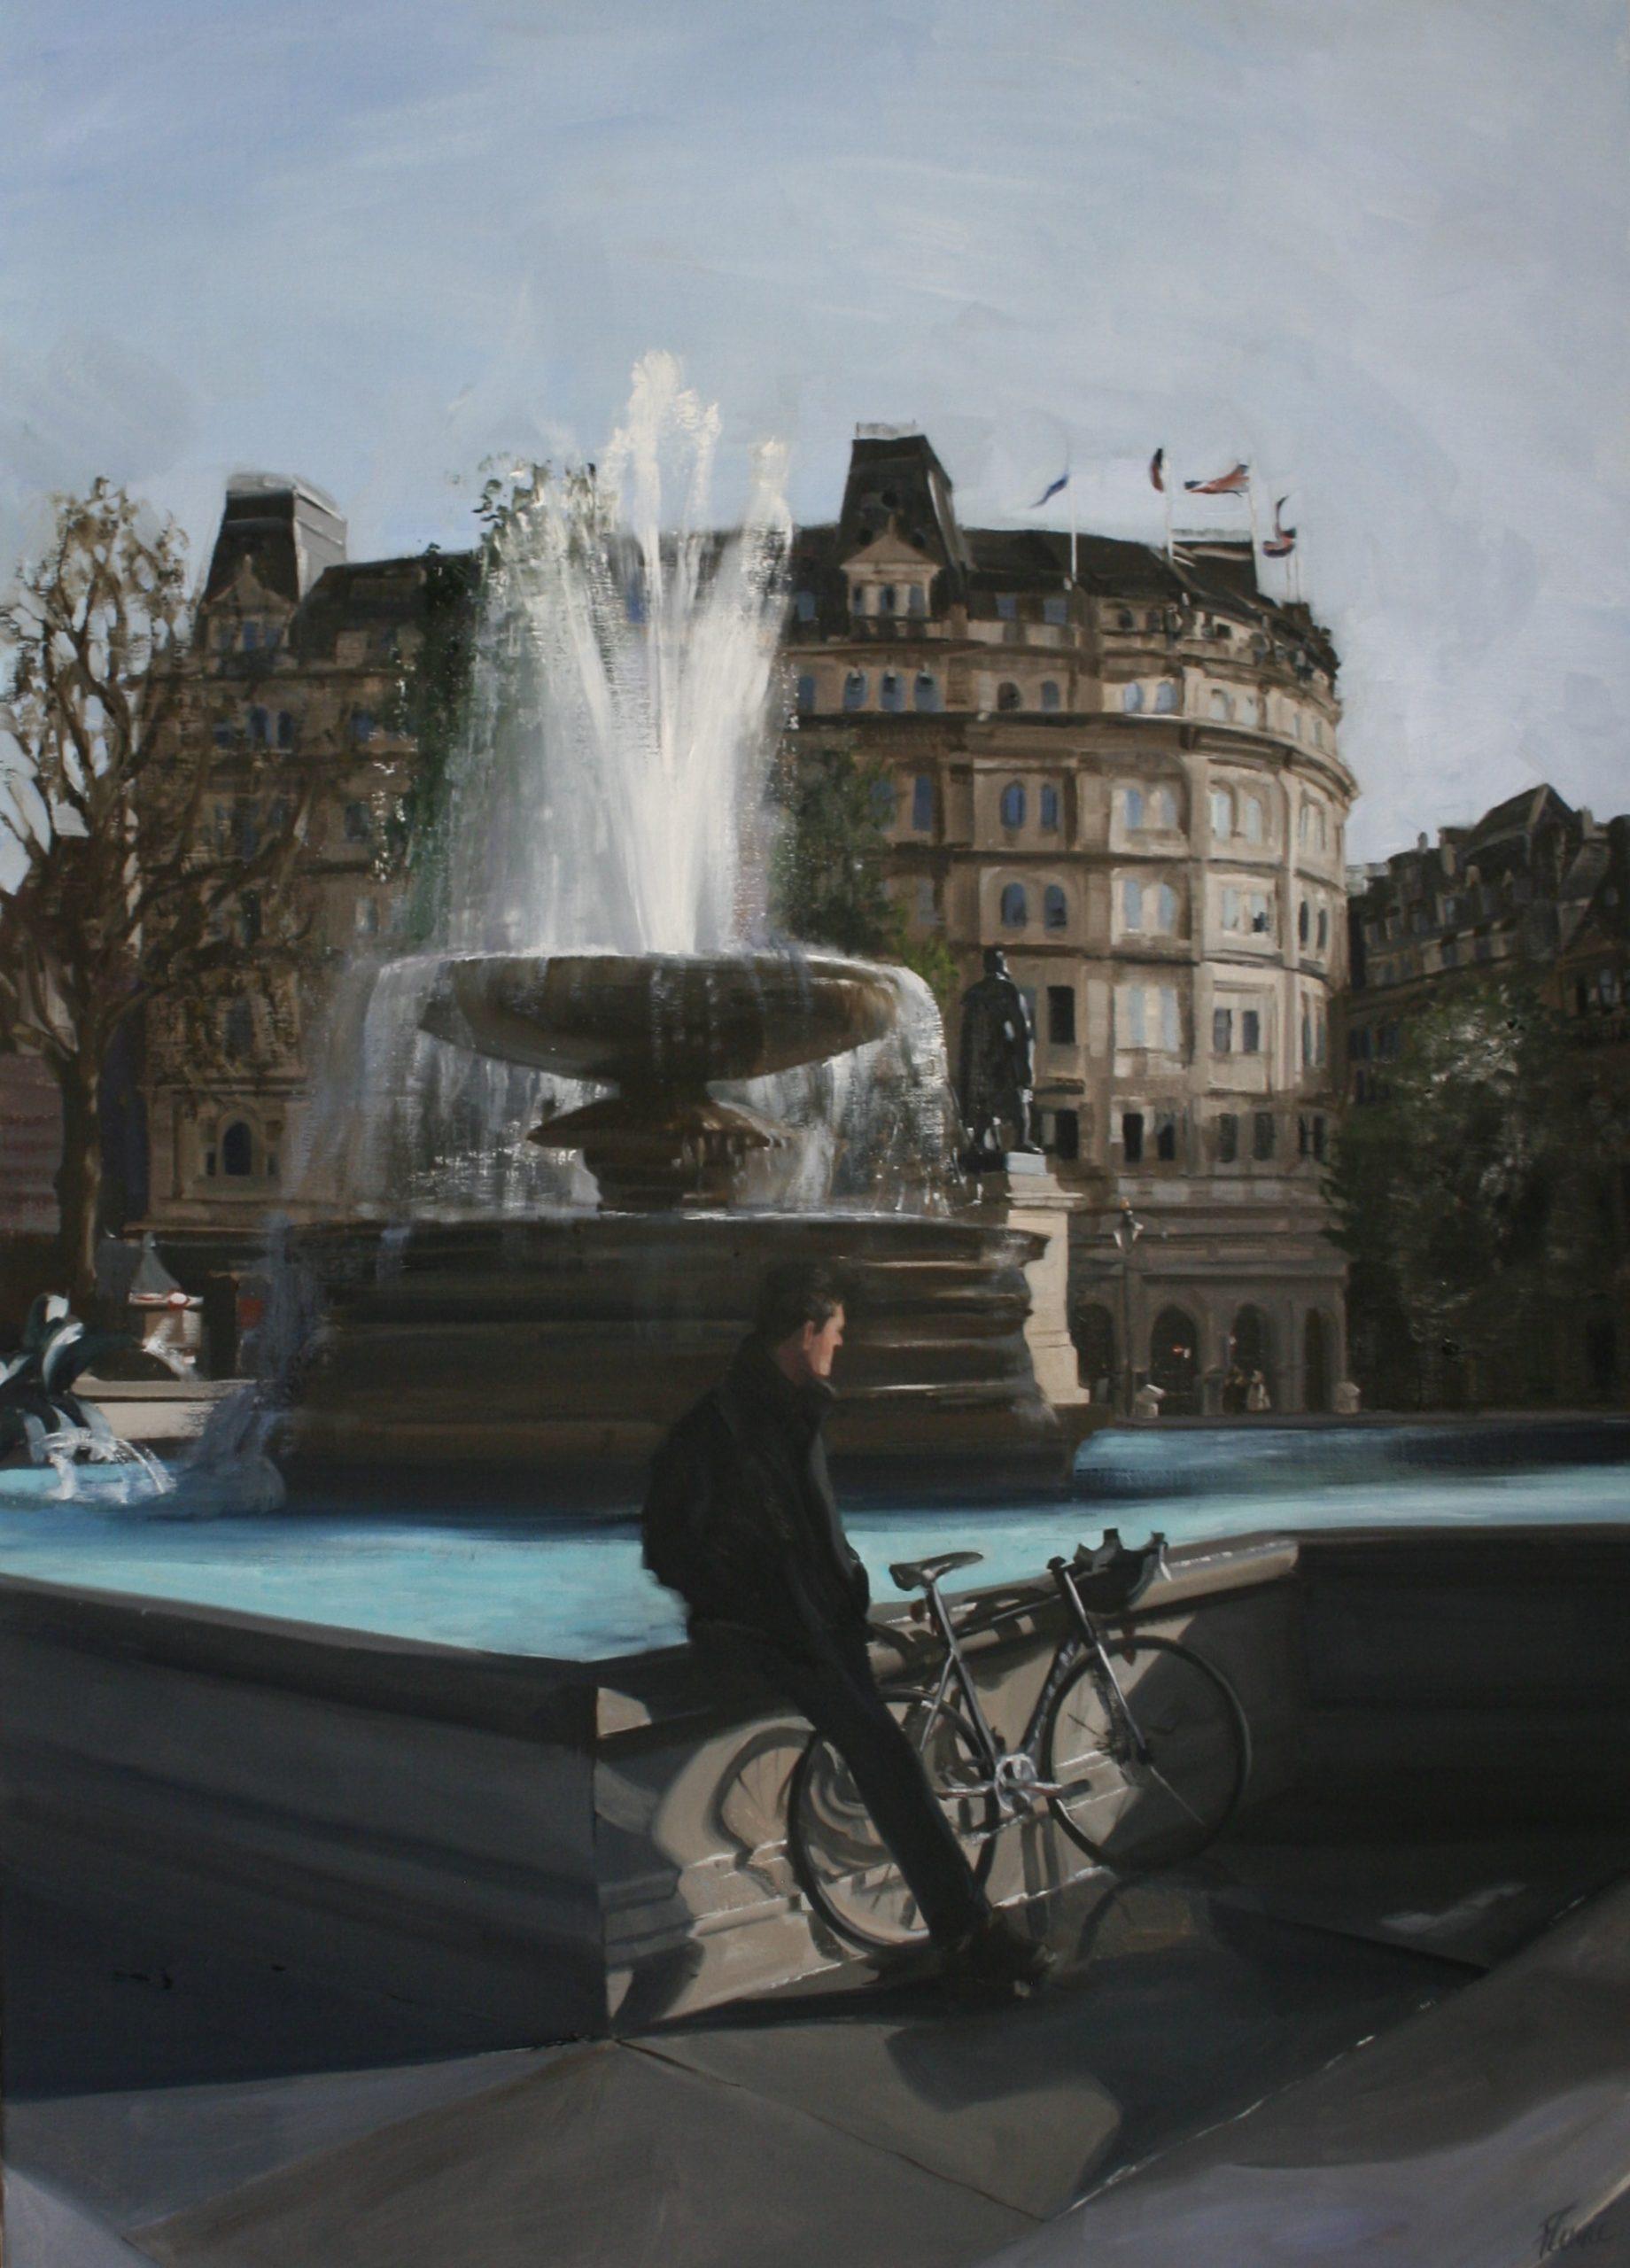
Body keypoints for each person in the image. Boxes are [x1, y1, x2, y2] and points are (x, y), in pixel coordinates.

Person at [641, 1260, 1052, 1992]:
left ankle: (965, 1929)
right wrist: (746, 1594)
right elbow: (668, 1544)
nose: (840, 1348)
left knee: (888, 1757)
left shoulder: (787, 1406)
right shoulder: (724, 1424)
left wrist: (837, 1587)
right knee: (887, 1760)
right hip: (771, 1631)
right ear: (806, 1333)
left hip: (815, 1621)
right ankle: (971, 1933)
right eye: (836, 1334)